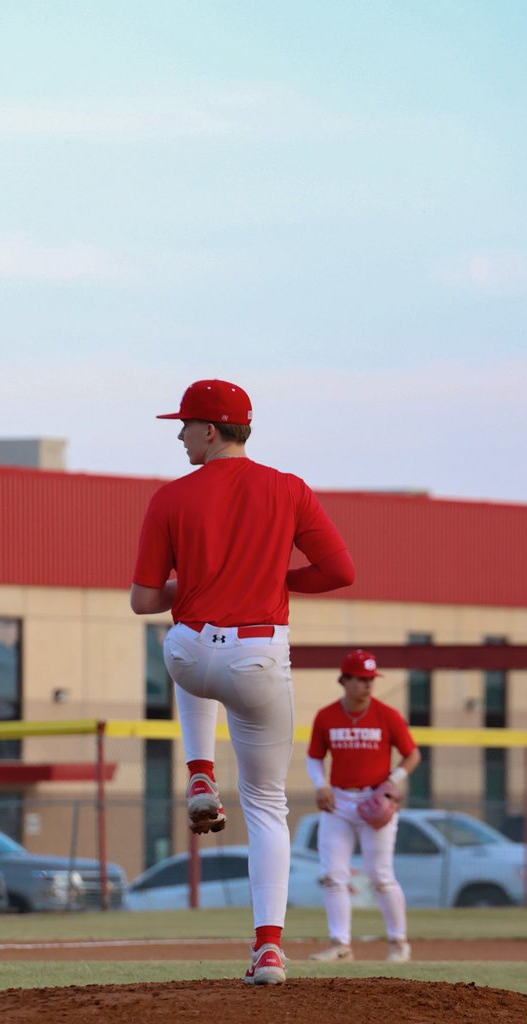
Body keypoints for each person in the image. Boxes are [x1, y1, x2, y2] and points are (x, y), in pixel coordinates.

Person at [130, 379, 355, 985]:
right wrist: (277, 583)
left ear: (210, 430)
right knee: (266, 804)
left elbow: (143, 600)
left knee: (180, 649)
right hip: (259, 655)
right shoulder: (289, 488)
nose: (178, 435)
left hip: (194, 648)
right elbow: (340, 571)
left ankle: (199, 769)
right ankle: (269, 952)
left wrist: (192, 589)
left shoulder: (170, 498)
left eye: (184, 425)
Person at [306, 649, 421, 964]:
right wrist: (321, 785)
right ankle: (341, 945)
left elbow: (412, 754)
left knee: (380, 875)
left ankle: (399, 943)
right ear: (344, 679)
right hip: (339, 801)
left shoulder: (387, 714)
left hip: (374, 801)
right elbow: (315, 755)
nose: (368, 685)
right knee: (333, 874)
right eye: (361, 679)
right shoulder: (327, 716)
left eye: (371, 679)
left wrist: (394, 781)